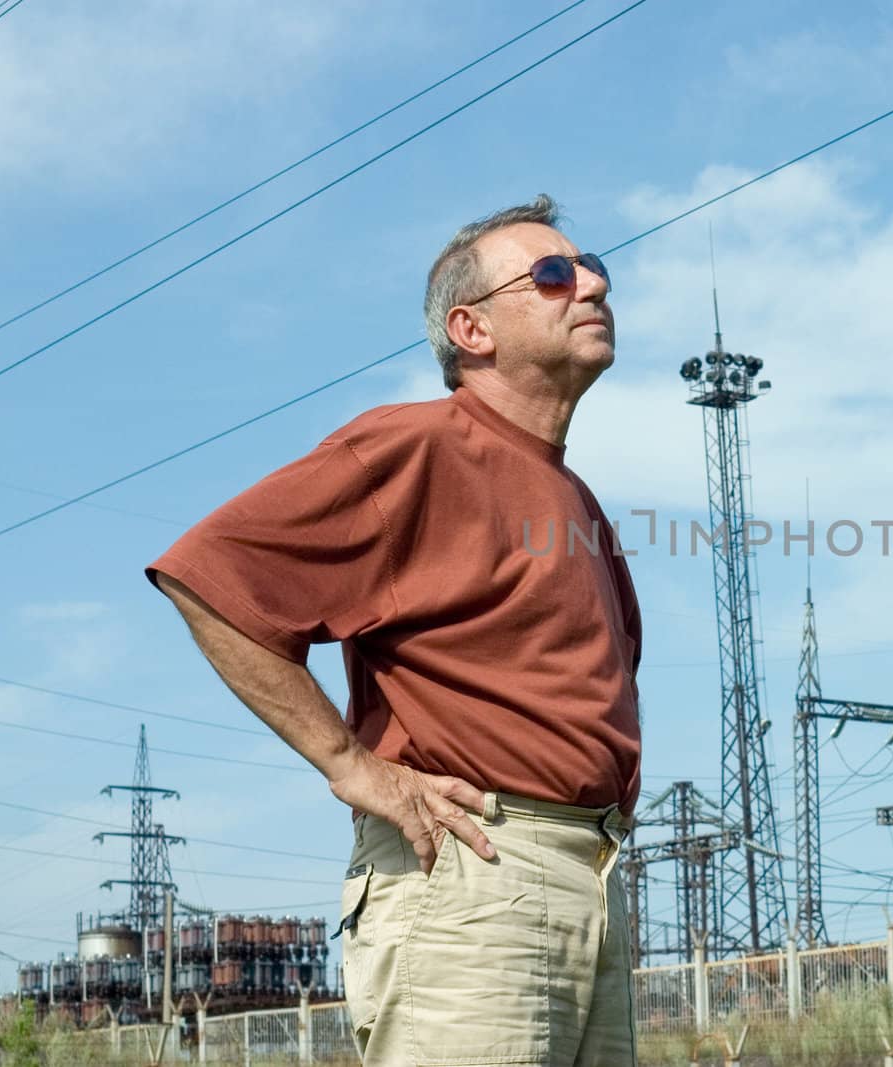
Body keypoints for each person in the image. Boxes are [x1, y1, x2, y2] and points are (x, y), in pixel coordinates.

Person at [147, 195, 643, 1066]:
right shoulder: (415, 449)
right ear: (472, 329)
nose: (592, 284)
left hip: (590, 878)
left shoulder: (580, 505)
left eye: (594, 266)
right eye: (556, 274)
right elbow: (211, 574)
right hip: (478, 874)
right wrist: (350, 765)